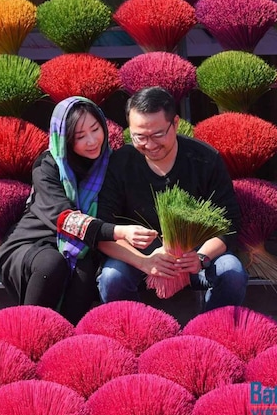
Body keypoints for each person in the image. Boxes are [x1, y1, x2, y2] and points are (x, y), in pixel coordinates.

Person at [0, 96, 158, 324]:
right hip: (34, 243)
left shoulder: (110, 163)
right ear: (64, 139)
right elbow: (66, 219)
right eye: (80, 136)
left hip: (85, 246)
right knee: (51, 264)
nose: (92, 141)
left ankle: (65, 340)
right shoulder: (48, 167)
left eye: (95, 129)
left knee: (86, 267)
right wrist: (120, 232)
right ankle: (26, 333)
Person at [96, 86, 248, 311]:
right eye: (139, 136)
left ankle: (208, 333)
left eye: (158, 134)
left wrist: (201, 257)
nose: (149, 144)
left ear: (175, 123)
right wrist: (144, 261)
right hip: (140, 256)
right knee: (111, 277)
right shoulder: (120, 163)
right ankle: (137, 333)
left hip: (195, 255)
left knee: (231, 272)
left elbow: (230, 223)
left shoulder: (205, 160)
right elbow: (102, 229)